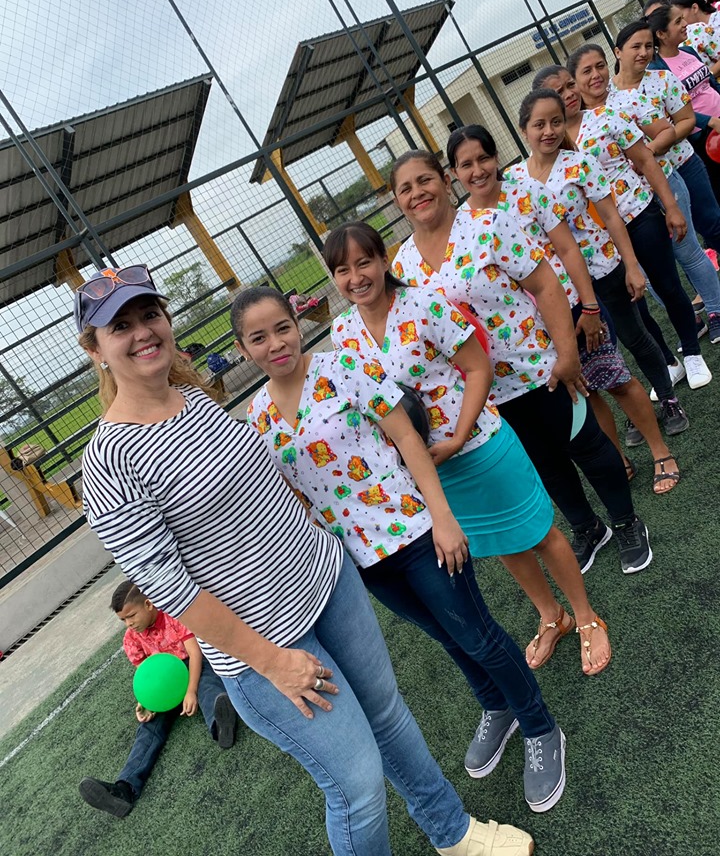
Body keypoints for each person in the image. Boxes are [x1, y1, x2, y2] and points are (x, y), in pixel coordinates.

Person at [76, 265, 533, 856]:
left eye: (149, 315)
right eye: (120, 327)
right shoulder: (109, 458)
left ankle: (453, 832)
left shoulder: (193, 400)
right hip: (268, 644)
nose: (143, 332)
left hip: (329, 582)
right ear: (96, 349)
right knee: (357, 787)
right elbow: (169, 586)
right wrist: (271, 663)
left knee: (389, 718)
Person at [234, 286, 568, 812]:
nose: (276, 344)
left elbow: (409, 438)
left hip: (416, 531)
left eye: (282, 328)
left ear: (297, 325)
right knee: (446, 636)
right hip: (361, 561)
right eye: (259, 338)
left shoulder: (343, 367)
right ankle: (496, 706)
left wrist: (443, 517)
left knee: (476, 634)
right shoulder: (257, 417)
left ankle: (540, 727)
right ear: (242, 349)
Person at [323, 221, 610, 681]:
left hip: (479, 444)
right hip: (432, 467)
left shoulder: (423, 304)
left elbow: (478, 370)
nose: (356, 277)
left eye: (364, 263)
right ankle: (552, 615)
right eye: (343, 270)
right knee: (500, 542)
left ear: (382, 260)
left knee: (538, 532)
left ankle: (587, 616)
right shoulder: (343, 334)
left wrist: (457, 436)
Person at [390, 145, 649, 582]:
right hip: (483, 395)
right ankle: (588, 527)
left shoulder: (489, 224)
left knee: (586, 444)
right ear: (398, 200)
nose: (418, 193)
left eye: (425, 180)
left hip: (539, 370)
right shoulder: (403, 264)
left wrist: (566, 354)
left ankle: (626, 521)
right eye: (406, 188)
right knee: (545, 463)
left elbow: (546, 284)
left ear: (445, 181)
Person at [509, 87, 681, 494]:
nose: (549, 131)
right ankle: (618, 456)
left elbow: (612, 217)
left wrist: (632, 265)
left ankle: (664, 429)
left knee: (624, 358)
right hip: (559, 297)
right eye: (539, 124)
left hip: (601, 272)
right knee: (589, 381)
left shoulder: (580, 163)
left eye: (555, 122)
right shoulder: (513, 180)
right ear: (523, 130)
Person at [565, 43, 712, 390]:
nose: (595, 75)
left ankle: (693, 353)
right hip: (602, 236)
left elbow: (648, 158)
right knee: (637, 303)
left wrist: (671, 206)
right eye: (585, 72)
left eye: (599, 66)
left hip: (638, 211)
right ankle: (669, 362)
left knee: (668, 284)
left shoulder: (607, 115)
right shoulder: (555, 143)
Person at [78, 580, 239, 818]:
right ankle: (124, 790)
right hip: (164, 683)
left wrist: (191, 690)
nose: (129, 623)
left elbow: (195, 653)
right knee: (149, 728)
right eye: (123, 620)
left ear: (149, 604)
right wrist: (147, 703)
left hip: (191, 665)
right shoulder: (131, 639)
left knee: (208, 687)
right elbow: (148, 677)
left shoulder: (173, 615)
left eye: (131, 616)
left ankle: (220, 725)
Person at [610, 20, 720, 344]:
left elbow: (686, 121)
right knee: (657, 266)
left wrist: (654, 148)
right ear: (618, 52)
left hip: (680, 166)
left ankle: (716, 310)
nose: (643, 52)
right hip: (637, 190)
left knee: (697, 238)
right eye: (636, 46)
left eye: (648, 46)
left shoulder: (662, 80)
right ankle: (692, 318)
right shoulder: (606, 96)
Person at [646, 2, 720, 205]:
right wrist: (710, 121)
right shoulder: (657, 70)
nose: (685, 24)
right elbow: (671, 113)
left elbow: (710, 84)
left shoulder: (688, 51)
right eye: (678, 21)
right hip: (704, 135)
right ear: (661, 34)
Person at [671, 0, 720, 76]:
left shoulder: (716, 20)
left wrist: (707, 77)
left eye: (681, 16)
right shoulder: (690, 35)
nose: (682, 22)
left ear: (694, 8)